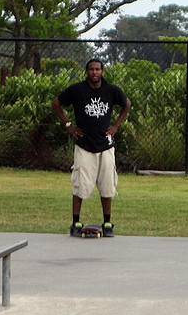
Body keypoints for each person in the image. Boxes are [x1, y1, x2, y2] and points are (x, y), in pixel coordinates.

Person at [52, 57, 131, 237]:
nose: (94, 72)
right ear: (87, 72)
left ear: (102, 71)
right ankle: (76, 222)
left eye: (97, 69)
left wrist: (116, 126)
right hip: (84, 144)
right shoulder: (77, 90)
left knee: (107, 185)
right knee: (80, 185)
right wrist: (69, 125)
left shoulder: (111, 90)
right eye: (91, 69)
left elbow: (127, 104)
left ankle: (108, 222)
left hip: (105, 145)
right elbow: (56, 103)